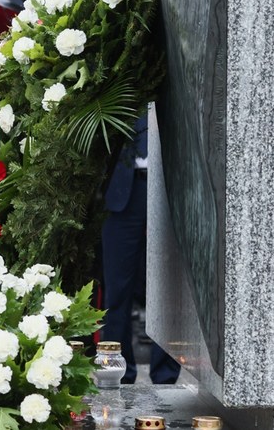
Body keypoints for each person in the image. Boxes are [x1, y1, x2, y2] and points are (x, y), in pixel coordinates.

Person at [100, 113, 180, 385]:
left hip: (169, 185)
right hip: (122, 191)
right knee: (117, 289)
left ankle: (166, 376)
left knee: (166, 288)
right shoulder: (122, 78)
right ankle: (117, 371)